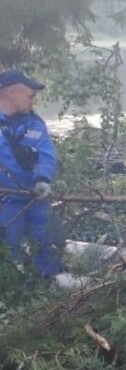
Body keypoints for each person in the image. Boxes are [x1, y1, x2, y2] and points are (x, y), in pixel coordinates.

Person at [0, 69, 61, 277]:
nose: (33, 101)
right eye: (30, 96)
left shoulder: (35, 123)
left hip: (35, 197)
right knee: (8, 246)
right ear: (11, 92)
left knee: (47, 239)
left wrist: (42, 179)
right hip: (5, 200)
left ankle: (46, 284)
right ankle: (11, 290)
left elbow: (46, 154)